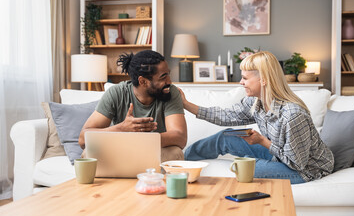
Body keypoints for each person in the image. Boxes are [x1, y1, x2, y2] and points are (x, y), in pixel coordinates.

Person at [179, 51, 334, 184]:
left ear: (264, 80)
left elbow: (296, 163)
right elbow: (226, 116)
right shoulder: (255, 102)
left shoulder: (293, 115)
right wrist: (186, 104)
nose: (241, 82)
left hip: (308, 169)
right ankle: (179, 163)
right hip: (278, 156)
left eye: (245, 78)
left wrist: (263, 142)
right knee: (225, 137)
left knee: (250, 168)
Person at [79, 50, 187, 162]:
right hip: (120, 151)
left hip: (154, 152)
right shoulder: (116, 93)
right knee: (88, 154)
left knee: (176, 153)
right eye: (163, 77)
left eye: (168, 74)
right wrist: (121, 129)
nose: (169, 81)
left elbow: (180, 137)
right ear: (143, 81)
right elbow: (83, 139)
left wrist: (138, 139)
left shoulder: (169, 91)